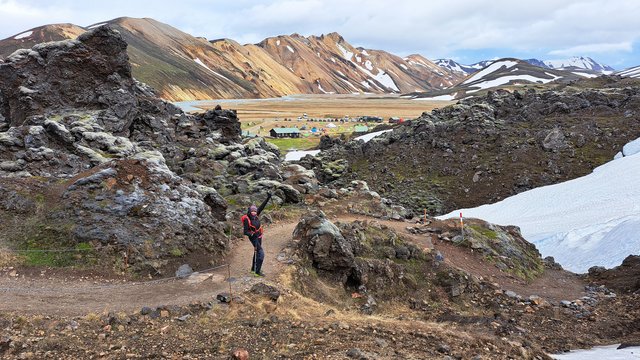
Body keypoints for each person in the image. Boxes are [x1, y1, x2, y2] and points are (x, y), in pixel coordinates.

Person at [242, 192, 272, 277]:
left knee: (257, 252)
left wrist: (268, 198)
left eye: (255, 211)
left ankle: (253, 269)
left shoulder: (256, 215)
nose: (254, 213)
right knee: (261, 253)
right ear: (250, 211)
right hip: (253, 237)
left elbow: (262, 207)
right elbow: (245, 231)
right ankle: (257, 271)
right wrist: (251, 234)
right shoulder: (247, 219)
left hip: (259, 236)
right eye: (252, 211)